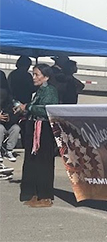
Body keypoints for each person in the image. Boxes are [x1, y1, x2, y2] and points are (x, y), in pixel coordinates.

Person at [16, 64, 59, 208]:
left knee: (43, 162)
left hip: (44, 130)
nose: (34, 77)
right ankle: (33, 192)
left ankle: (45, 195)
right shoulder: (39, 91)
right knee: (32, 161)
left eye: (37, 74)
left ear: (46, 76)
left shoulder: (50, 91)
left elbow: (47, 109)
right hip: (33, 128)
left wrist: (27, 107)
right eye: (33, 74)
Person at [0, 88, 21, 163]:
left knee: (16, 128)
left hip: (8, 125)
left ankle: (9, 150)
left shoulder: (10, 105)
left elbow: (16, 117)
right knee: (0, 128)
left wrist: (10, 118)